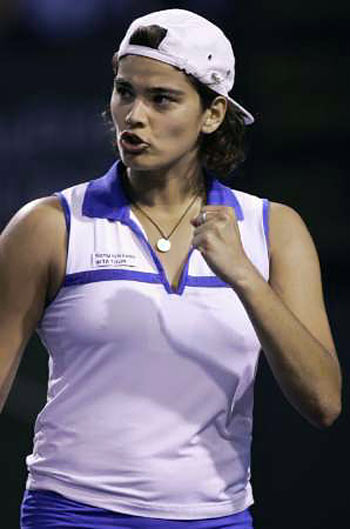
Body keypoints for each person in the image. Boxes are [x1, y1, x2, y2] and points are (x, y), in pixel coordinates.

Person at [0, 8, 342, 529]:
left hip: (218, 518)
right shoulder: (47, 226)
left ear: (212, 114)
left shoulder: (276, 230)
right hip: (71, 515)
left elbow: (323, 402)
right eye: (124, 91)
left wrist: (246, 276)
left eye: (162, 99)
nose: (134, 115)